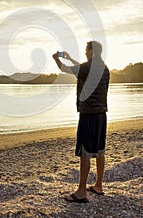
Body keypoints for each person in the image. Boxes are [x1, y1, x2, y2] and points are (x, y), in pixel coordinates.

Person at [52, 41, 110, 203]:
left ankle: (81, 192)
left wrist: (57, 59)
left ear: (91, 51)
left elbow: (64, 70)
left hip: (88, 115)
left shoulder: (87, 67)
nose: (85, 53)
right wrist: (70, 58)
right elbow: (83, 69)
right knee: (100, 150)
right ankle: (98, 185)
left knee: (85, 152)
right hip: (101, 115)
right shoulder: (104, 68)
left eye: (86, 50)